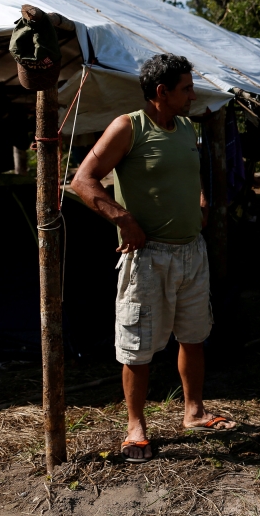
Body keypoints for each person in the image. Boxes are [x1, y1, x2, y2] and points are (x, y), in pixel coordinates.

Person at [72, 53, 237, 463]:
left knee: (194, 335)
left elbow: (190, 171)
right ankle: (135, 427)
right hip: (149, 257)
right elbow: (82, 180)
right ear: (161, 92)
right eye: (185, 89)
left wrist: (199, 202)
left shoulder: (184, 127)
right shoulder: (128, 126)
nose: (192, 95)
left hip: (191, 253)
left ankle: (194, 412)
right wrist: (123, 218)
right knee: (137, 347)